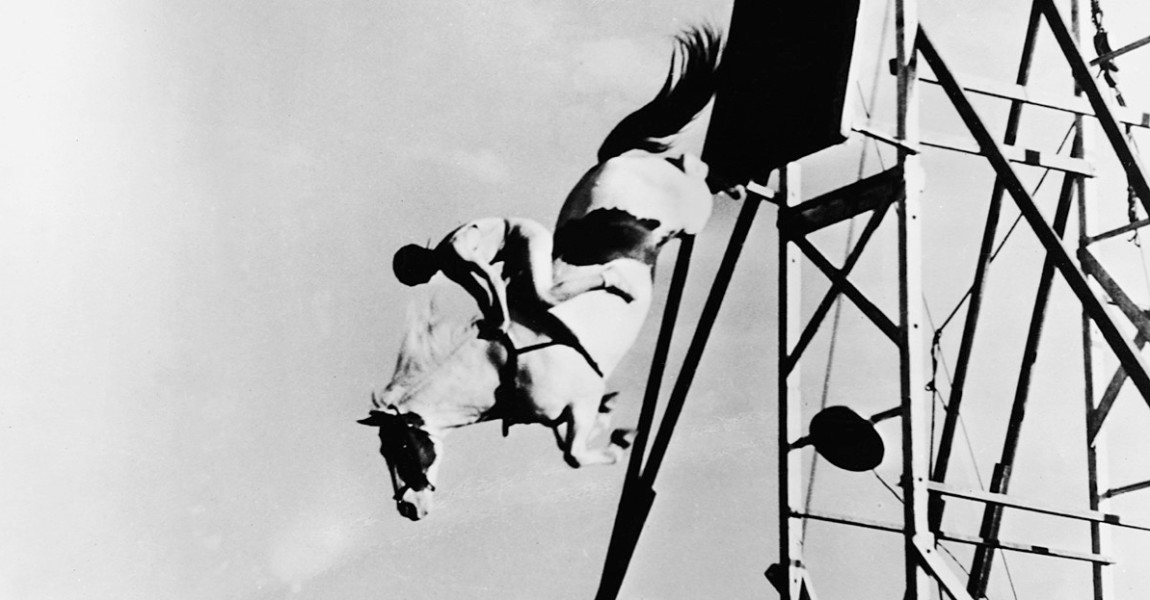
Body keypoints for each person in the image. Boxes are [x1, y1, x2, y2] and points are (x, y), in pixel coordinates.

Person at [393, 217, 635, 340]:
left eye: (415, 279)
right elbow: (482, 295)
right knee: (516, 308)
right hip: (512, 251)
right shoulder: (450, 268)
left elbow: (493, 281)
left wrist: (500, 322)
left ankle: (607, 278)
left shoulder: (456, 249)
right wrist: (493, 323)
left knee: (545, 296)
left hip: (525, 236)